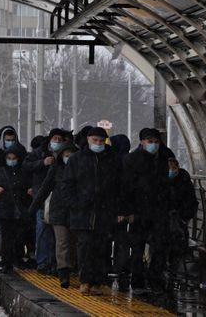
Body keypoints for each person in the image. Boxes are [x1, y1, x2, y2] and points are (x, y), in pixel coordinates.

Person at [62, 126, 123, 295]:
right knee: (85, 246)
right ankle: (85, 280)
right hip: (83, 212)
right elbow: (67, 184)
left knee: (102, 247)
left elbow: (119, 186)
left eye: (101, 141)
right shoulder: (77, 159)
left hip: (104, 212)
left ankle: (98, 281)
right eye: (94, 140)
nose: (98, 144)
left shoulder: (112, 160)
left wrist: (117, 208)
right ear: (88, 140)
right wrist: (74, 203)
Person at [122, 127, 175, 291]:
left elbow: (167, 184)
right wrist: (128, 210)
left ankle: (154, 277)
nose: (153, 145)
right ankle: (137, 279)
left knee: (160, 245)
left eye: (156, 142)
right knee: (137, 246)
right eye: (149, 141)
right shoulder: (131, 159)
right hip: (139, 210)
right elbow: (126, 187)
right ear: (142, 142)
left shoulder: (164, 158)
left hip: (159, 209)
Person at [30, 141, 78, 287]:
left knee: (73, 242)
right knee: (62, 241)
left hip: (76, 211)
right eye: (66, 155)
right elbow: (44, 188)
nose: (68, 158)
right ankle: (63, 272)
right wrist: (33, 208)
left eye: (71, 155)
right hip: (58, 211)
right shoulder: (55, 169)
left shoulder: (81, 170)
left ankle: (72, 267)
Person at [24, 128, 69, 273]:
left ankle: (56, 263)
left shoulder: (66, 155)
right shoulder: (39, 153)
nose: (56, 142)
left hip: (59, 198)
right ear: (49, 139)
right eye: (54, 138)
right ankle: (43, 262)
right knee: (42, 230)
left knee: (58, 235)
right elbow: (26, 166)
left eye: (59, 139)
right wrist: (42, 163)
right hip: (42, 196)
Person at [149, 157, 199, 285]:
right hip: (162, 222)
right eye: (168, 168)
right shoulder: (159, 181)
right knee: (160, 248)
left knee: (175, 248)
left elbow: (191, 202)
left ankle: (170, 273)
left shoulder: (183, 180)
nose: (171, 171)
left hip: (178, 222)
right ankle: (159, 274)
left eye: (174, 168)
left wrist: (182, 217)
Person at [0, 142, 29, 273]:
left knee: (18, 236)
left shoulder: (23, 172)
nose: (11, 161)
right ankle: (7, 262)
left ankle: (16, 259)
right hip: (4, 210)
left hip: (19, 210)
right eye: (9, 158)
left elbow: (27, 186)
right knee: (7, 238)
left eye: (14, 158)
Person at [106, 133, 132, 291]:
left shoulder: (112, 161)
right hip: (123, 209)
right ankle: (121, 267)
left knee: (108, 239)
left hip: (110, 209)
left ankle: (110, 267)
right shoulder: (129, 162)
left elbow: (116, 189)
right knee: (122, 240)